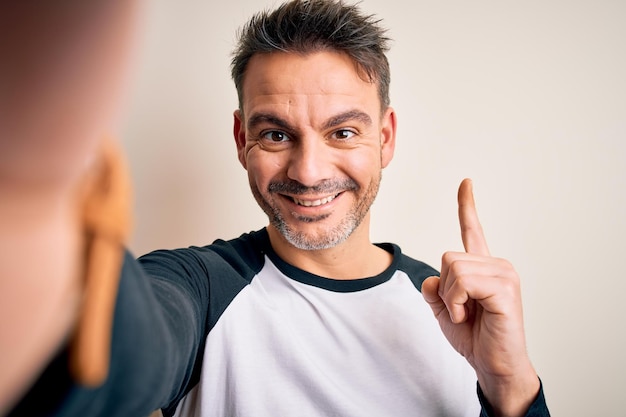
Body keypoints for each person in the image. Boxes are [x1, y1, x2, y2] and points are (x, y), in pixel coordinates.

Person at [1, 0, 550, 416]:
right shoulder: (199, 288)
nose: (308, 172)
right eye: (276, 134)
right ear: (242, 138)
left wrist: (512, 386)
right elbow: (116, 361)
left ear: (385, 137)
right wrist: (31, 199)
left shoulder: (455, 313)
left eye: (342, 131)